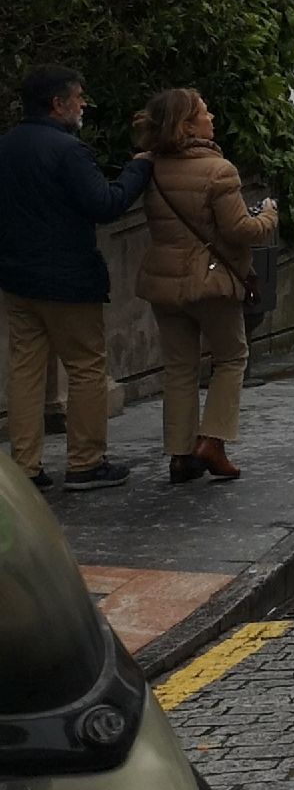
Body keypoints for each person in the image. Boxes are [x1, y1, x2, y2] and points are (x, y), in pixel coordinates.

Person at [0, 65, 155, 490]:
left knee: (25, 370)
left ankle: (25, 468)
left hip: (17, 277)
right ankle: (86, 462)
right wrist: (138, 168)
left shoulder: (6, 146)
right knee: (86, 366)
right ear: (58, 103)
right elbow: (105, 204)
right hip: (67, 279)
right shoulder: (69, 151)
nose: (83, 104)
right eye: (78, 97)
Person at [133, 87, 279, 484]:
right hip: (210, 281)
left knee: (179, 367)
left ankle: (180, 455)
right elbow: (240, 229)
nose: (211, 118)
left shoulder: (148, 166)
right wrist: (268, 215)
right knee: (231, 357)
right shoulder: (219, 170)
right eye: (204, 112)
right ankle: (213, 441)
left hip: (164, 281)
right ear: (187, 125)